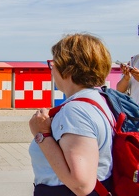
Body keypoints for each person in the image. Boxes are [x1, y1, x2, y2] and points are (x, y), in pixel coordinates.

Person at [29, 33, 114, 196]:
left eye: (53, 63)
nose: (52, 69)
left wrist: (41, 133)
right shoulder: (102, 99)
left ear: (67, 68)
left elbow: (80, 185)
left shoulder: (75, 111)